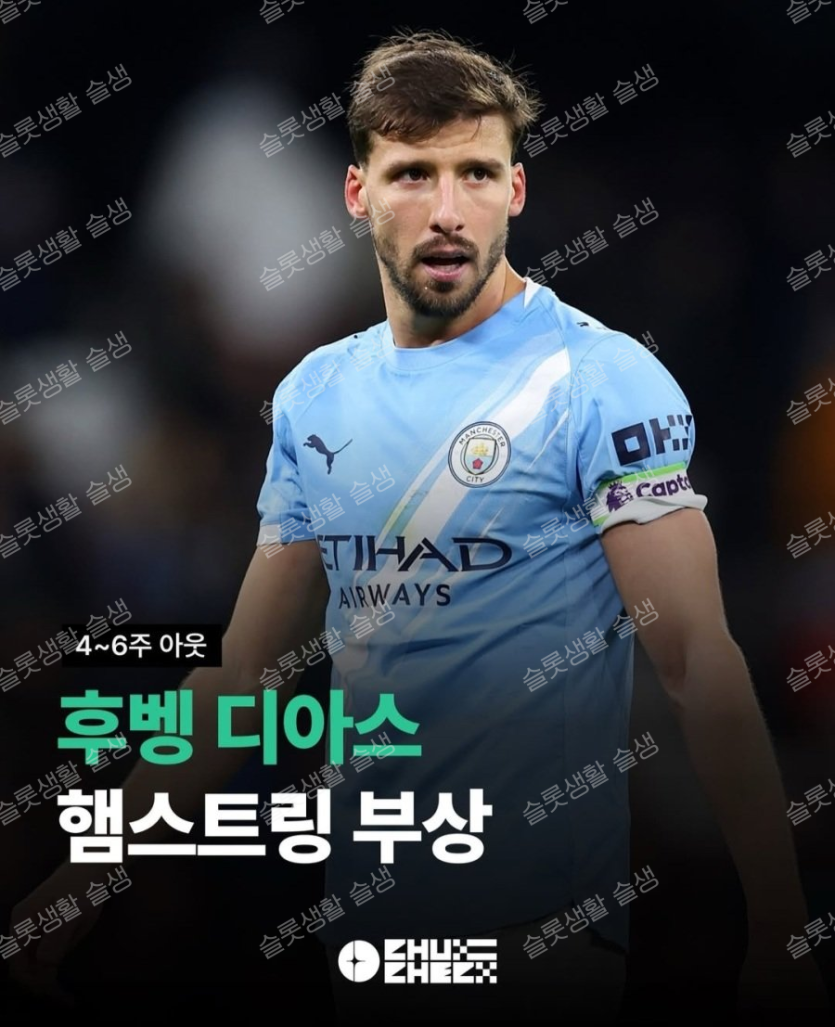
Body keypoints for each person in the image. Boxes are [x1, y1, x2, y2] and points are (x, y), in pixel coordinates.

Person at [10, 28, 830, 1024]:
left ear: (514, 191)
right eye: (412, 175)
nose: (446, 211)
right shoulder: (316, 396)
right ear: (357, 193)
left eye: (474, 173)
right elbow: (240, 678)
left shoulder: (602, 383)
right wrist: (87, 875)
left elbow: (698, 659)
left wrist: (777, 921)